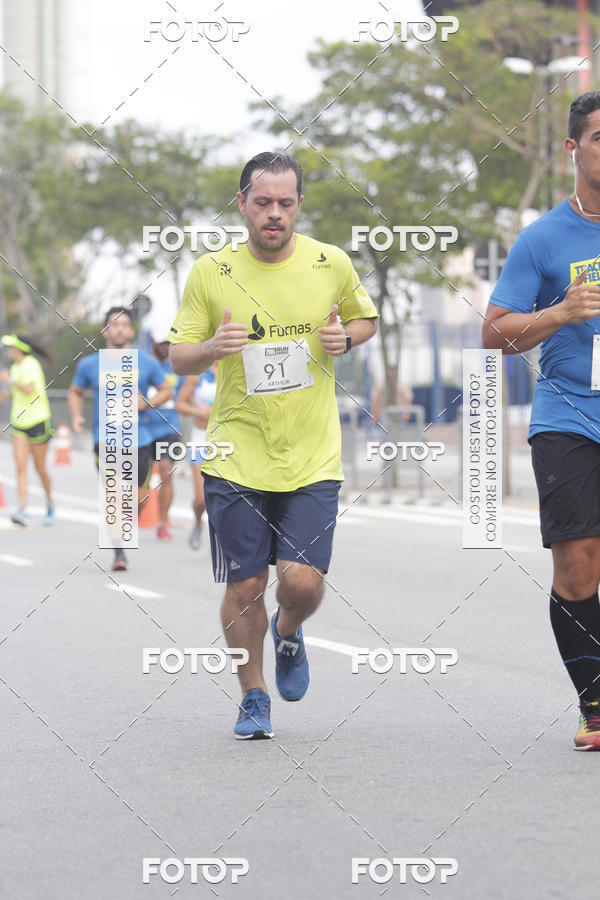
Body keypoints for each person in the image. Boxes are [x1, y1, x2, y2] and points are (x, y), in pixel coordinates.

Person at [170, 151, 379, 739]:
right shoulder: (211, 272)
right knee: (243, 585)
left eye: (286, 203)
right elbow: (178, 353)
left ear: (299, 206)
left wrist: (344, 336)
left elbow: (367, 320)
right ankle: (253, 696)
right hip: (236, 452)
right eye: (262, 202)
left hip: (312, 455)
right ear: (242, 204)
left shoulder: (330, 263)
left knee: (303, 582)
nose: (274, 214)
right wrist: (212, 347)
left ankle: (288, 630)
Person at [482, 91, 600, 750]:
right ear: (573, 149)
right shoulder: (545, 238)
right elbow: (493, 332)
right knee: (579, 568)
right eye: (599, 137)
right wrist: (559, 312)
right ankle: (596, 706)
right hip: (570, 415)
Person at [68, 307, 172, 572]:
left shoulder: (145, 362)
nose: (119, 329)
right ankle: (119, 552)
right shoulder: (90, 364)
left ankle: (123, 529)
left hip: (140, 439)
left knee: (138, 499)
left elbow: (166, 390)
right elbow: (75, 392)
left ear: (132, 330)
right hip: (105, 439)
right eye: (114, 325)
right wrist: (77, 416)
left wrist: (146, 403)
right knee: (114, 495)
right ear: (105, 331)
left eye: (125, 324)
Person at [0, 334, 55, 526]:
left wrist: (9, 381)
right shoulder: (15, 368)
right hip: (20, 424)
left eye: (11, 348)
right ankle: (22, 509)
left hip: (38, 421)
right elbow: (16, 392)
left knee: (39, 468)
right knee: (21, 467)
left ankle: (49, 503)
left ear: (19, 349)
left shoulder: (31, 364)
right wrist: (4, 394)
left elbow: (28, 389)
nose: (8, 351)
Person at [144, 330, 184, 541]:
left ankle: (162, 520)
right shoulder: (144, 363)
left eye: (168, 343)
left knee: (166, 472)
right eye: (161, 343)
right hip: (144, 427)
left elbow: (187, 394)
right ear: (153, 342)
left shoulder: (177, 367)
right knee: (140, 477)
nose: (165, 347)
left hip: (168, 428)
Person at [175, 363, 218, 550]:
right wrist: (197, 411)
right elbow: (180, 404)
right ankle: (199, 521)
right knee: (202, 499)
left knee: (225, 495)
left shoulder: (235, 366)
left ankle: (220, 537)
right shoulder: (198, 373)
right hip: (201, 438)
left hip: (229, 439)